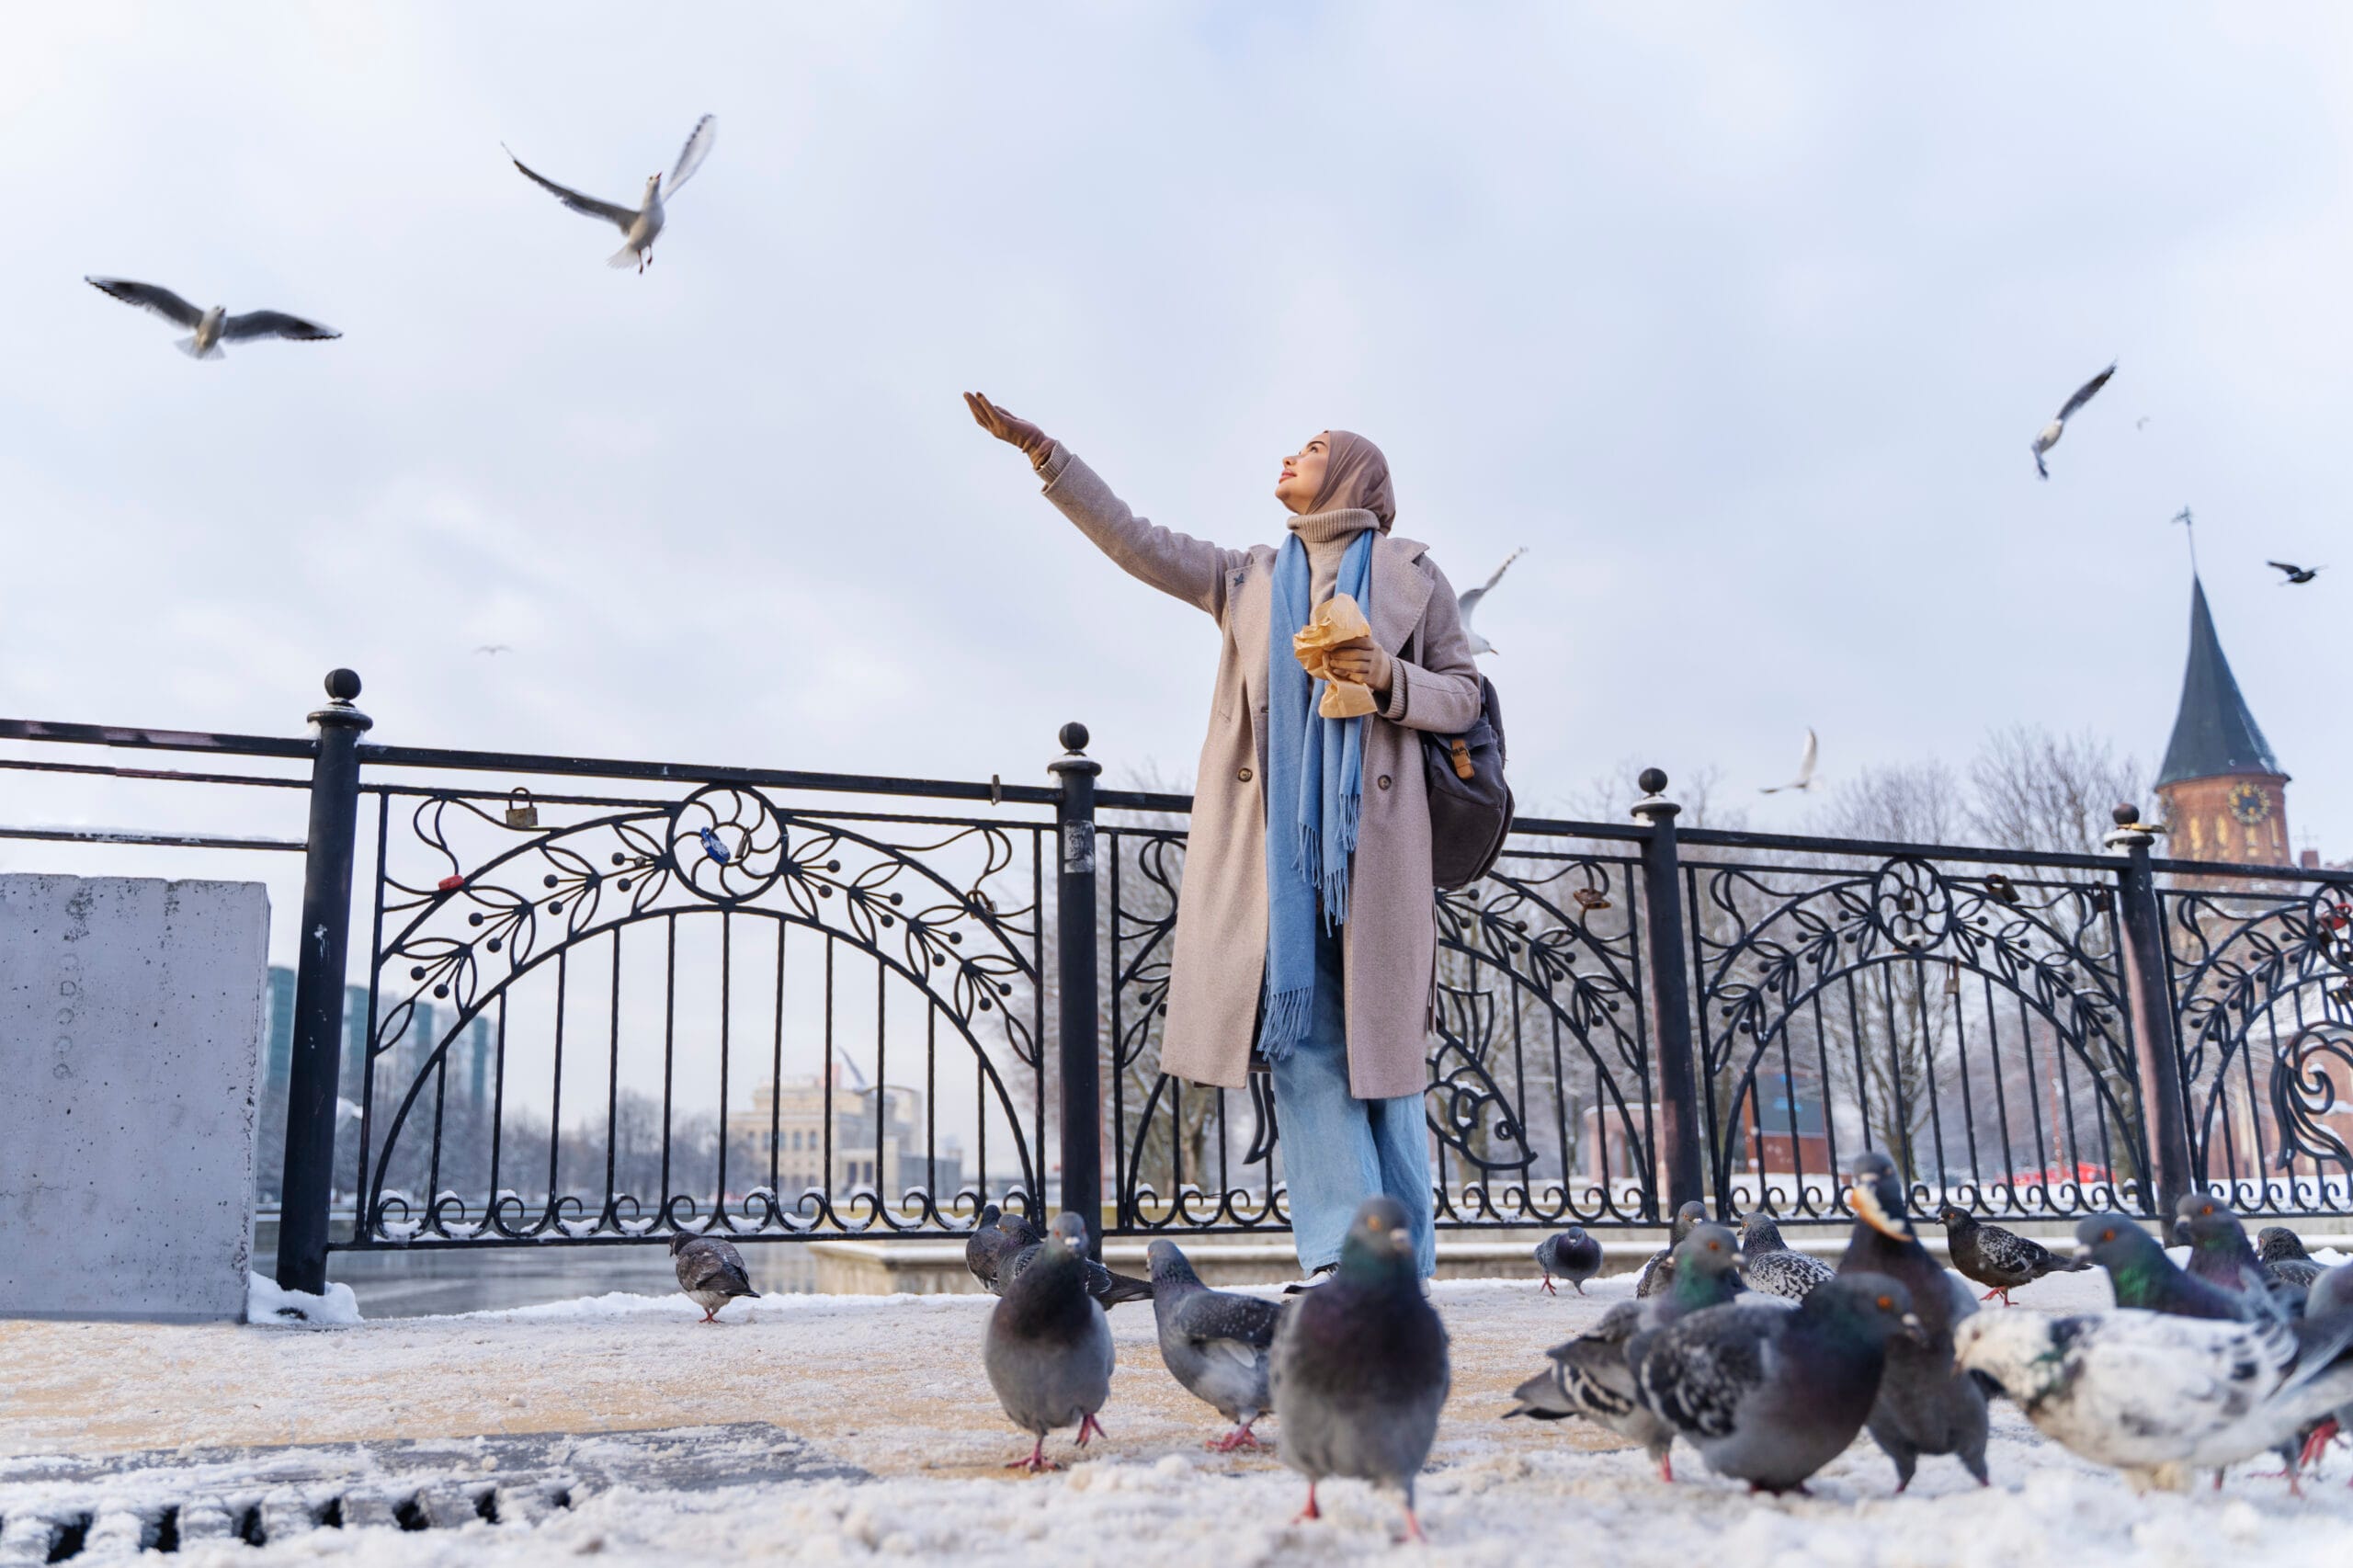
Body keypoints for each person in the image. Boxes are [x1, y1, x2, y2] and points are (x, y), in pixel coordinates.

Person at [965, 392, 1481, 1280]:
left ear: (1353, 473)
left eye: (1312, 447)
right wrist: (1045, 453)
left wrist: (1385, 676)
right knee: (1307, 1051)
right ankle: (1348, 1261)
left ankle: (1404, 1260)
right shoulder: (1245, 576)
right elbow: (1137, 541)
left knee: (1388, 1065)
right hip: (1274, 861)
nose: (1290, 455)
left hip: (1381, 854)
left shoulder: (1414, 577)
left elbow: (1465, 696)